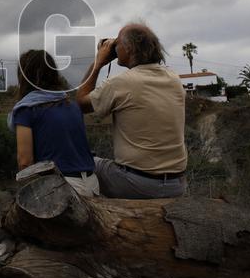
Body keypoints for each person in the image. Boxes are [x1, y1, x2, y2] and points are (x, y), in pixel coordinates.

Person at [74, 22, 187, 199]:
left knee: (81, 160)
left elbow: (81, 103)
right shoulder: (173, 79)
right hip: (176, 184)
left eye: (117, 43)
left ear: (128, 48)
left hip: (137, 184)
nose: (114, 47)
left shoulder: (122, 83)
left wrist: (98, 62)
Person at [9, 49, 99, 198]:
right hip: (92, 183)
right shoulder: (72, 105)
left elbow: (25, 162)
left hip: (61, 189)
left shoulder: (26, 110)